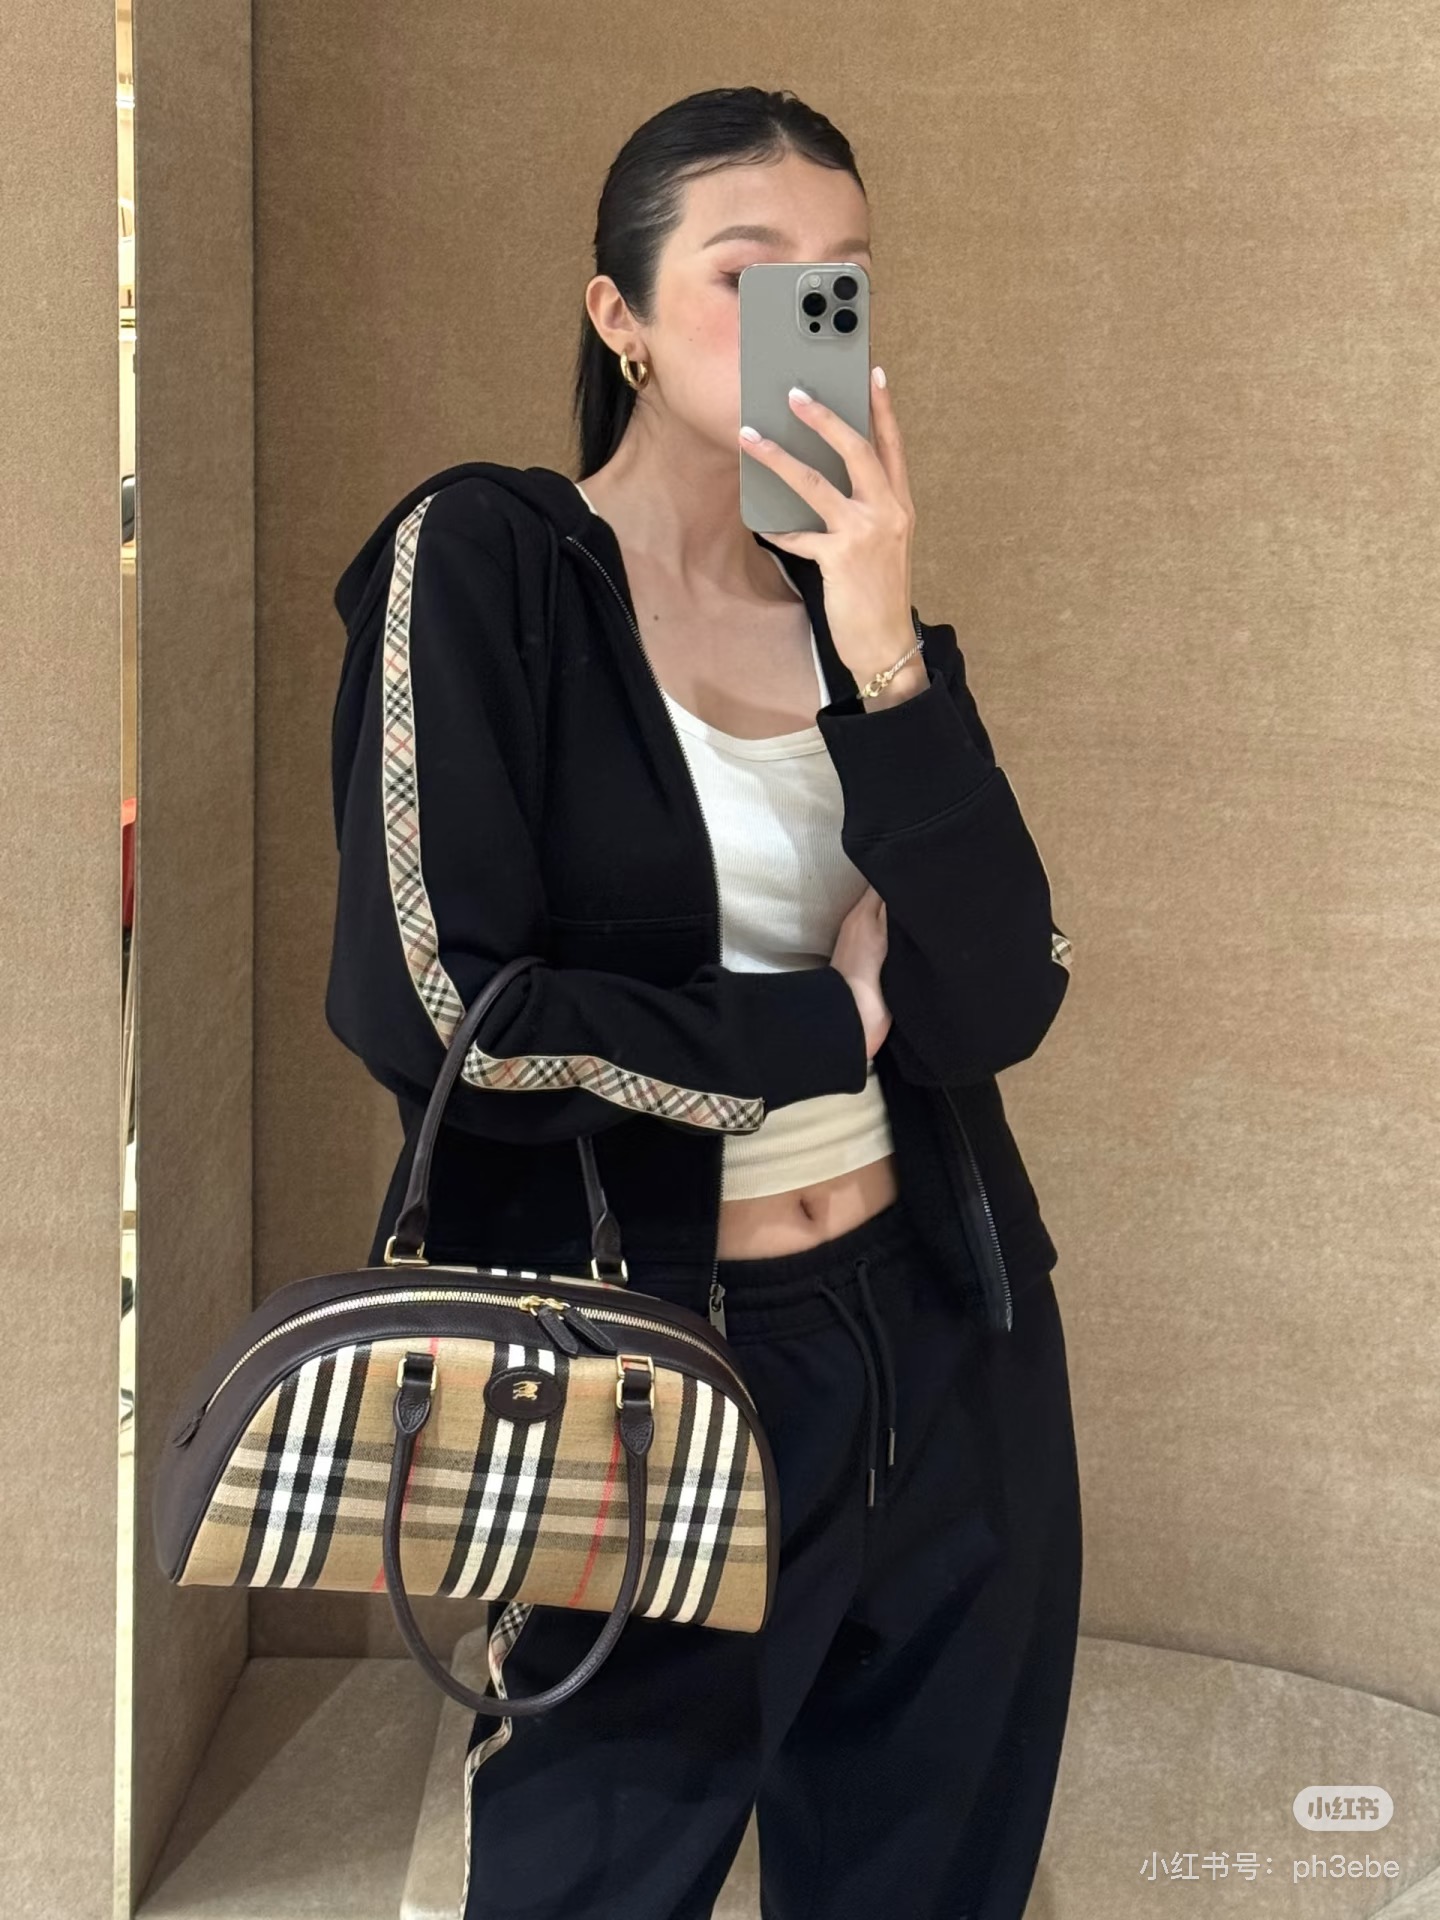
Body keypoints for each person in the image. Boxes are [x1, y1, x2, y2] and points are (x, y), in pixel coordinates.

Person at [325, 84, 1082, 1920]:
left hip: (952, 1345)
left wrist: (883, 638)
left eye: (844, 279)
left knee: (932, 1877)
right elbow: (440, 1014)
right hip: (652, 1368)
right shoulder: (487, 565)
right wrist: (826, 1032)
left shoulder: (865, 634)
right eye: (749, 274)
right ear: (624, 320)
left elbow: (1002, 997)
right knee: (597, 1875)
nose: (810, 314)